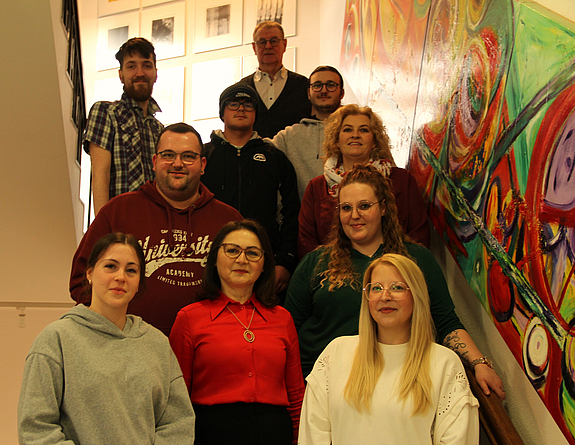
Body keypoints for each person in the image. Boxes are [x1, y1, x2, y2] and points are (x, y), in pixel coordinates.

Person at [285, 165, 505, 399]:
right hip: (327, 386)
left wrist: (479, 363)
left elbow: (445, 321)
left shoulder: (416, 259)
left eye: (364, 206)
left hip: (399, 384)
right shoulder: (316, 262)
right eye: (346, 208)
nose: (354, 215)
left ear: (382, 208)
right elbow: (289, 333)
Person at [19, 233, 195, 444]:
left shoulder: (156, 343)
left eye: (131, 270)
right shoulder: (56, 339)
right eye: (111, 266)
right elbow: (36, 429)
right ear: (90, 273)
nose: (120, 276)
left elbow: (178, 423)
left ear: (139, 282)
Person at [70, 123, 243, 336]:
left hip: (208, 350)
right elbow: (81, 279)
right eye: (168, 155)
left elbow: (246, 287)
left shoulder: (228, 221)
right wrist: (110, 332)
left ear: (202, 164)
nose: (177, 164)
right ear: (155, 161)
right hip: (129, 349)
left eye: (188, 156)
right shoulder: (119, 211)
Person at [298, 253, 479, 444]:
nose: (385, 296)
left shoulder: (443, 362)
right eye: (376, 288)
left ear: (416, 295)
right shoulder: (336, 353)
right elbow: (314, 432)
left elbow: (457, 438)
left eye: (397, 288)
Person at [169, 220, 305, 445]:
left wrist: (300, 435)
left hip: (275, 432)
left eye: (252, 253)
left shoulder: (282, 318)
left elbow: (296, 392)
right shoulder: (189, 318)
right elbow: (176, 398)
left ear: (264, 265)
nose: (242, 260)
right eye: (232, 250)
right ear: (214, 259)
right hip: (211, 432)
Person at [203, 84, 300, 294]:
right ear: (222, 113)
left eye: (248, 105)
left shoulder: (275, 158)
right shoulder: (204, 156)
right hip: (210, 262)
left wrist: (285, 261)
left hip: (264, 263)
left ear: (256, 114)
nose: (241, 109)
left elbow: (291, 213)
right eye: (233, 104)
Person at [298, 104, 430, 258]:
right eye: (347, 130)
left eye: (364, 130)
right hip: (333, 273)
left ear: (374, 141)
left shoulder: (402, 180)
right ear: (336, 141)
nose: (355, 135)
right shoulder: (317, 187)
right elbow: (306, 242)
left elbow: (419, 235)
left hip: (394, 271)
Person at [84, 37, 163, 215]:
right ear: (121, 75)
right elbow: (100, 176)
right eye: (131, 66)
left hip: (156, 229)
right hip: (119, 225)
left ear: (155, 73)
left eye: (146, 65)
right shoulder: (106, 112)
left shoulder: (160, 130)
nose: (140, 72)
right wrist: (103, 231)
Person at [270, 65, 345, 200]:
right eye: (317, 85)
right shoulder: (290, 136)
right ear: (309, 93)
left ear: (342, 93)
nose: (324, 90)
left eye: (331, 85)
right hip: (306, 218)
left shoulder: (359, 129)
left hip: (355, 215)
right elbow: (257, 147)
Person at [238, 21, 311, 138]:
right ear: (254, 47)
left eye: (274, 41)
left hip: (293, 156)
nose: (268, 46)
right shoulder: (242, 89)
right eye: (262, 42)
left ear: (285, 44)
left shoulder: (303, 85)